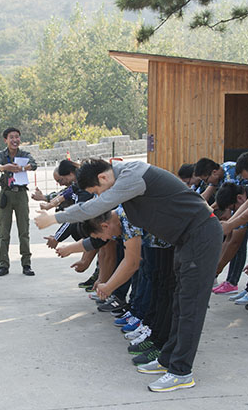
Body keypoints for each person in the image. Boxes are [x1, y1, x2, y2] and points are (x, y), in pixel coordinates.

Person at [35, 158, 221, 393]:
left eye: (98, 192)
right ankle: (168, 361)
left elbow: (95, 208)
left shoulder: (131, 176)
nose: (101, 198)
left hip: (201, 234)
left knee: (190, 306)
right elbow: (96, 227)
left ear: (103, 178)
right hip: (187, 239)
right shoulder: (123, 179)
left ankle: (181, 371)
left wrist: (54, 217)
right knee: (180, 304)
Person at [0, 127, 37, 277]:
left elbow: (34, 164)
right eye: (11, 137)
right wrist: (6, 167)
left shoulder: (24, 154)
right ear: (6, 140)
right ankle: (3, 264)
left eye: (17, 137)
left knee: (24, 231)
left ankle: (26, 264)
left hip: (21, 195)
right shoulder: (1, 155)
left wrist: (22, 168)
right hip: (6, 194)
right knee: (4, 231)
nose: (15, 140)